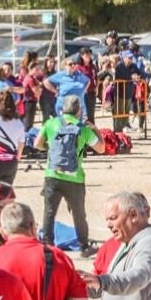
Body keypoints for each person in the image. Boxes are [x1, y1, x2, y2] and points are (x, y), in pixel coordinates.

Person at [35, 99, 97, 251]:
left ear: (62, 109)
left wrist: (49, 147)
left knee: (49, 211)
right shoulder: (82, 127)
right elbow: (101, 148)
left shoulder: (51, 124)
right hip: (74, 176)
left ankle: (47, 244)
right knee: (78, 213)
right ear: (78, 110)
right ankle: (83, 244)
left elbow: (37, 144)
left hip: (53, 173)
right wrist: (96, 130)